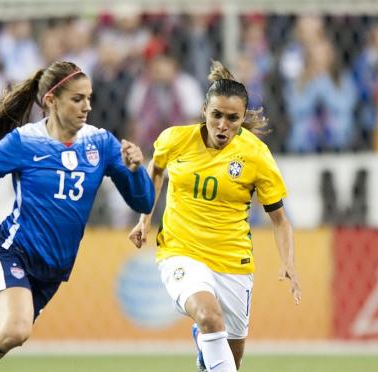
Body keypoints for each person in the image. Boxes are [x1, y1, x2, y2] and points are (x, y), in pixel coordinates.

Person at [0, 61, 154, 372]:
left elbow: (143, 199)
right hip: (11, 252)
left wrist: (135, 171)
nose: (87, 106)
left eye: (89, 98)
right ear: (51, 100)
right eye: (77, 99)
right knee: (15, 331)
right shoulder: (24, 141)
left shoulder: (100, 143)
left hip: (50, 271)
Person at [129, 61, 301, 372]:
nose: (223, 125)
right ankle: (204, 329)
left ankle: (204, 344)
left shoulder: (256, 155)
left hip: (233, 262)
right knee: (208, 316)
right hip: (180, 252)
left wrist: (288, 261)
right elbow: (156, 170)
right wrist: (145, 218)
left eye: (233, 118)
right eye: (216, 115)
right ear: (204, 110)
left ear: (242, 117)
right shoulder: (175, 140)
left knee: (229, 361)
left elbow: (280, 220)